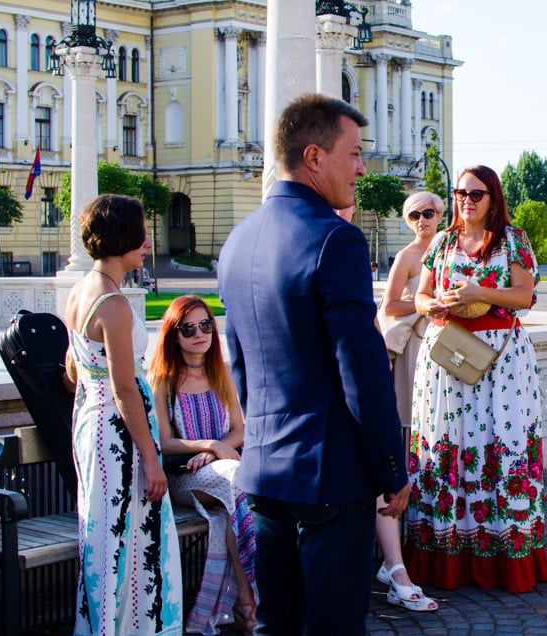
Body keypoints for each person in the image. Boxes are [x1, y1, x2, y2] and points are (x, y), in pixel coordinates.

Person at [216, 94, 408, 635]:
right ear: (315, 156)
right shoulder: (335, 239)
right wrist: (392, 469)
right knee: (335, 626)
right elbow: (363, 371)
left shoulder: (237, 241)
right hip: (330, 474)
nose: (362, 167)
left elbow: (241, 366)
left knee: (278, 623)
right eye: (355, 153)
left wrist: (259, 440)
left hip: (266, 470)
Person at [404, 165, 547, 593]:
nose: (466, 200)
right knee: (449, 440)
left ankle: (503, 555)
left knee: (496, 442)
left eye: (476, 193)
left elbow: (525, 295)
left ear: (493, 198)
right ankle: (445, 554)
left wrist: (479, 293)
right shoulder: (443, 241)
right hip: (448, 350)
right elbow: (420, 295)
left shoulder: (512, 239)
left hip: (501, 360)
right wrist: (434, 304)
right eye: (460, 192)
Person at [62, 194, 183, 635]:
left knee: (105, 533)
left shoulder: (81, 290)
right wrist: (152, 458)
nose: (148, 243)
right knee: (123, 533)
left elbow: (74, 368)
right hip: (117, 433)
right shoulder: (112, 303)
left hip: (91, 423)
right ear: (123, 237)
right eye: (141, 234)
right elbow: (124, 388)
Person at [148, 295, 258, 634]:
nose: (200, 334)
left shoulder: (221, 371)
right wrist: (209, 445)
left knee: (234, 507)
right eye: (189, 328)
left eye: (206, 324)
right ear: (173, 334)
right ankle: (258, 600)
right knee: (239, 478)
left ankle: (246, 603)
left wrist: (215, 451)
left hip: (222, 474)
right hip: (184, 479)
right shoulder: (164, 378)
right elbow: (163, 442)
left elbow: (241, 429)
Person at [373, 192, 444, 611]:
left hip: (443, 348)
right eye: (415, 214)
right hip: (416, 348)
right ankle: (406, 540)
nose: (422, 219)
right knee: (410, 435)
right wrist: (425, 306)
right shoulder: (408, 256)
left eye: (429, 212)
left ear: (441, 215)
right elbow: (389, 306)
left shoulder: (450, 248)